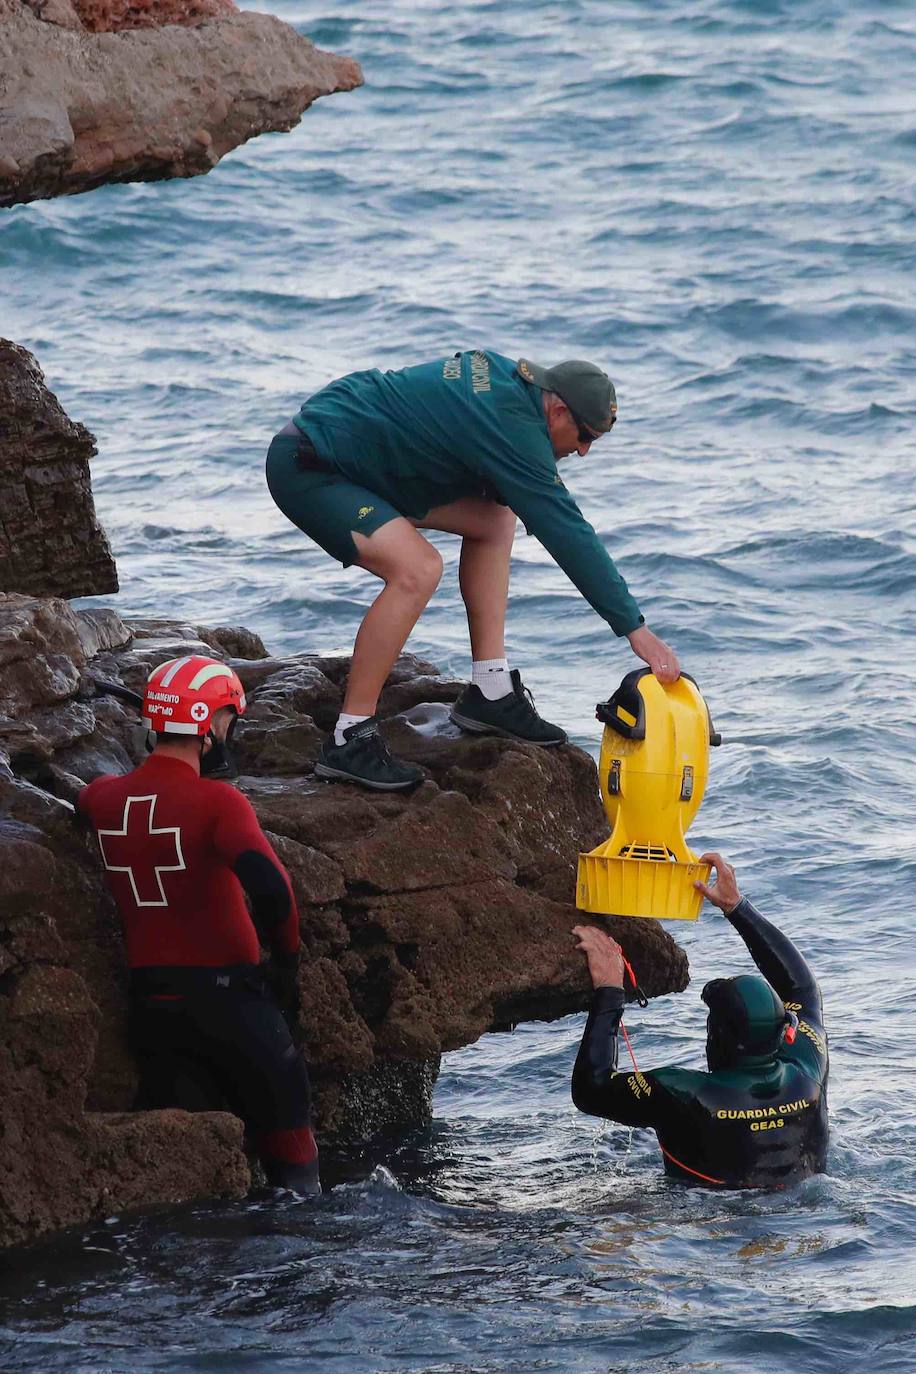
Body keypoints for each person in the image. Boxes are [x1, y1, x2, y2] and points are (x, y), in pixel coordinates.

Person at [266, 349, 680, 790]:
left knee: (496, 519)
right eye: (584, 436)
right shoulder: (514, 429)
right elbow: (569, 533)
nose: (583, 451)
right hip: (311, 464)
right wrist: (635, 630)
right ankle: (351, 737)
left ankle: (491, 689)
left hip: (362, 452)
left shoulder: (513, 385)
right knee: (418, 569)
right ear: (558, 409)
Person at [76, 655, 320, 1195]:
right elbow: (272, 888)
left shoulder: (104, 797)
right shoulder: (218, 801)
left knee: (195, 1178)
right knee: (294, 1162)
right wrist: (287, 964)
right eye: (229, 720)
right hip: (232, 1006)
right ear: (208, 726)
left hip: (154, 1016)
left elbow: (80, 794)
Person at [571, 853, 828, 1188]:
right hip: (803, 1212)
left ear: (717, 1035)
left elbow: (591, 1089)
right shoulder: (807, 1071)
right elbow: (803, 988)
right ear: (784, 1032)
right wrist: (737, 906)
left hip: (707, 1221)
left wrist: (608, 989)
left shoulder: (684, 1092)